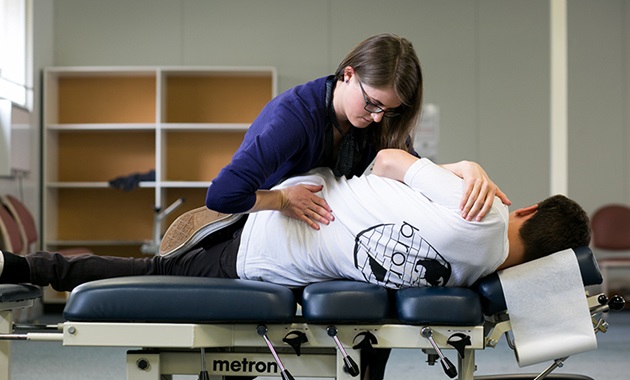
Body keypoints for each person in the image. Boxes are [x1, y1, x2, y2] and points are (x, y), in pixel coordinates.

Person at [0, 149, 590, 292]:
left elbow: (386, 159)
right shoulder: (474, 281)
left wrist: (463, 166)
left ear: (529, 210)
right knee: (161, 260)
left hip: (274, 219)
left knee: (157, 266)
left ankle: (22, 266)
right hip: (272, 251)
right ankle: (26, 266)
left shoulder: (484, 204)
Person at [160, 33, 511, 256]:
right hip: (259, 236)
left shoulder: (383, 119)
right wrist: (281, 200)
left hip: (329, 236)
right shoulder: (292, 118)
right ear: (348, 75)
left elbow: (407, 171)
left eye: (389, 110)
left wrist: (465, 169)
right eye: (372, 103)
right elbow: (222, 195)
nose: (377, 118)